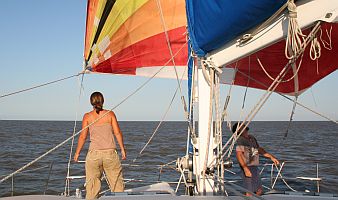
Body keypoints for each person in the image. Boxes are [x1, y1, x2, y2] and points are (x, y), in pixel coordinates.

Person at [74, 92, 126, 199]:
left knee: (92, 189)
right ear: (103, 101)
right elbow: (117, 133)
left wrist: (77, 153)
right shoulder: (110, 114)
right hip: (110, 154)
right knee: (117, 187)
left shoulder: (87, 116)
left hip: (94, 155)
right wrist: (122, 149)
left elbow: (83, 137)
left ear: (91, 102)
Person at [233, 122, 279, 196]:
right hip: (247, 167)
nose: (246, 129)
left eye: (246, 127)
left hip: (254, 167)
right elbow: (239, 155)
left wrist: (271, 157)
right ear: (239, 131)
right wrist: (245, 169)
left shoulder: (252, 138)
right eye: (244, 128)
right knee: (249, 191)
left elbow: (259, 149)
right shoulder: (240, 140)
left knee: (259, 190)